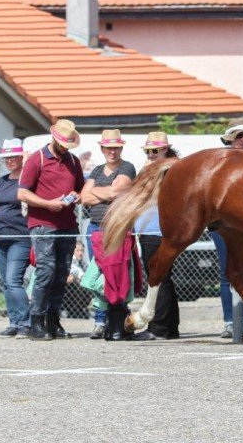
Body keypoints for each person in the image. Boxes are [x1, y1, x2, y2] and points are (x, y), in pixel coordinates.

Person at [18, 119, 85, 340]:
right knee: (45, 272)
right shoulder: (36, 159)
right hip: (43, 225)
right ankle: (36, 321)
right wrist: (48, 204)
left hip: (67, 225)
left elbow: (81, 190)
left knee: (61, 274)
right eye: (62, 143)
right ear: (54, 138)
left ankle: (53, 320)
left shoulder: (73, 162)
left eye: (68, 144)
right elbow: (22, 193)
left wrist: (77, 196)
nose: (65, 147)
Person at [80, 129, 136, 339]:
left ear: (121, 148)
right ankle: (101, 319)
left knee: (115, 274)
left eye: (116, 147)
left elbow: (117, 192)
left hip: (116, 228)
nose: (112, 151)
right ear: (102, 149)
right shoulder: (96, 171)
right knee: (95, 275)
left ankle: (116, 318)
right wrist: (103, 193)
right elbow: (84, 198)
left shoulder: (127, 167)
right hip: (95, 227)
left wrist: (95, 192)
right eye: (108, 147)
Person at [212, 120, 243, 339]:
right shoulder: (219, 162)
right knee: (227, 273)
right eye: (239, 135)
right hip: (223, 224)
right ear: (230, 138)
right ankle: (230, 321)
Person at [133, 132, 181, 341]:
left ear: (165, 150)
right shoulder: (161, 167)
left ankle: (158, 327)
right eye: (148, 151)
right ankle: (170, 327)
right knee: (164, 278)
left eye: (155, 151)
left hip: (157, 228)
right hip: (150, 227)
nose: (151, 155)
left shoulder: (170, 169)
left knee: (156, 276)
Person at [0, 139, 31, 338]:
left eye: (14, 156)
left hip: (19, 236)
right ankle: (14, 322)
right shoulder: (2, 181)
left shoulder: (27, 180)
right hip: (0, 236)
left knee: (13, 280)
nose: (9, 160)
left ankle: (26, 322)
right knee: (7, 282)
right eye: (6, 157)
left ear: (22, 157)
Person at [62, 240, 90, 319]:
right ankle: (71, 309)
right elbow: (76, 271)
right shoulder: (70, 260)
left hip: (80, 292)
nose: (80, 253)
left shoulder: (83, 264)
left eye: (82, 251)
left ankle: (77, 310)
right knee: (72, 281)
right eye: (77, 250)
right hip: (68, 291)